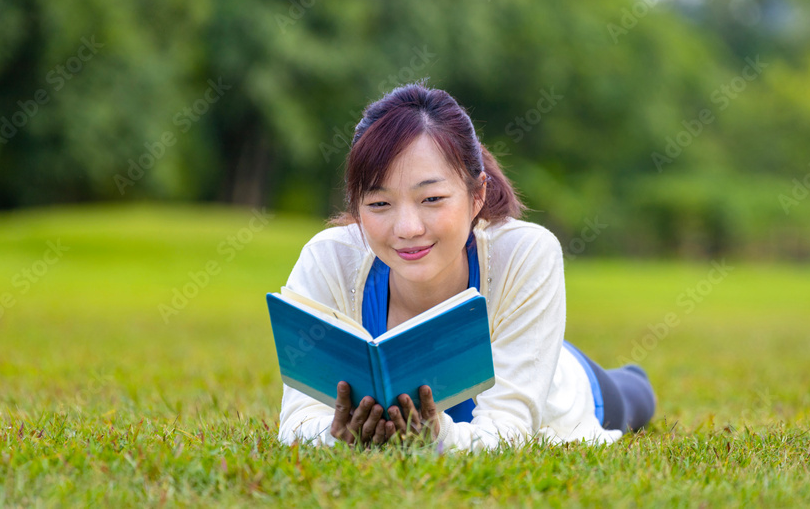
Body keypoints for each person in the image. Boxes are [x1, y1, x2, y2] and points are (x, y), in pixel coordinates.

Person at [277, 82, 656, 451]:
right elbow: (297, 420)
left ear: (477, 195)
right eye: (379, 204)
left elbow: (510, 431)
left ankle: (631, 382)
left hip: (550, 373)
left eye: (432, 198)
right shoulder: (328, 260)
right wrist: (338, 436)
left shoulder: (525, 252)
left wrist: (434, 439)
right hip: (514, 344)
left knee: (636, 395)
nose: (408, 228)